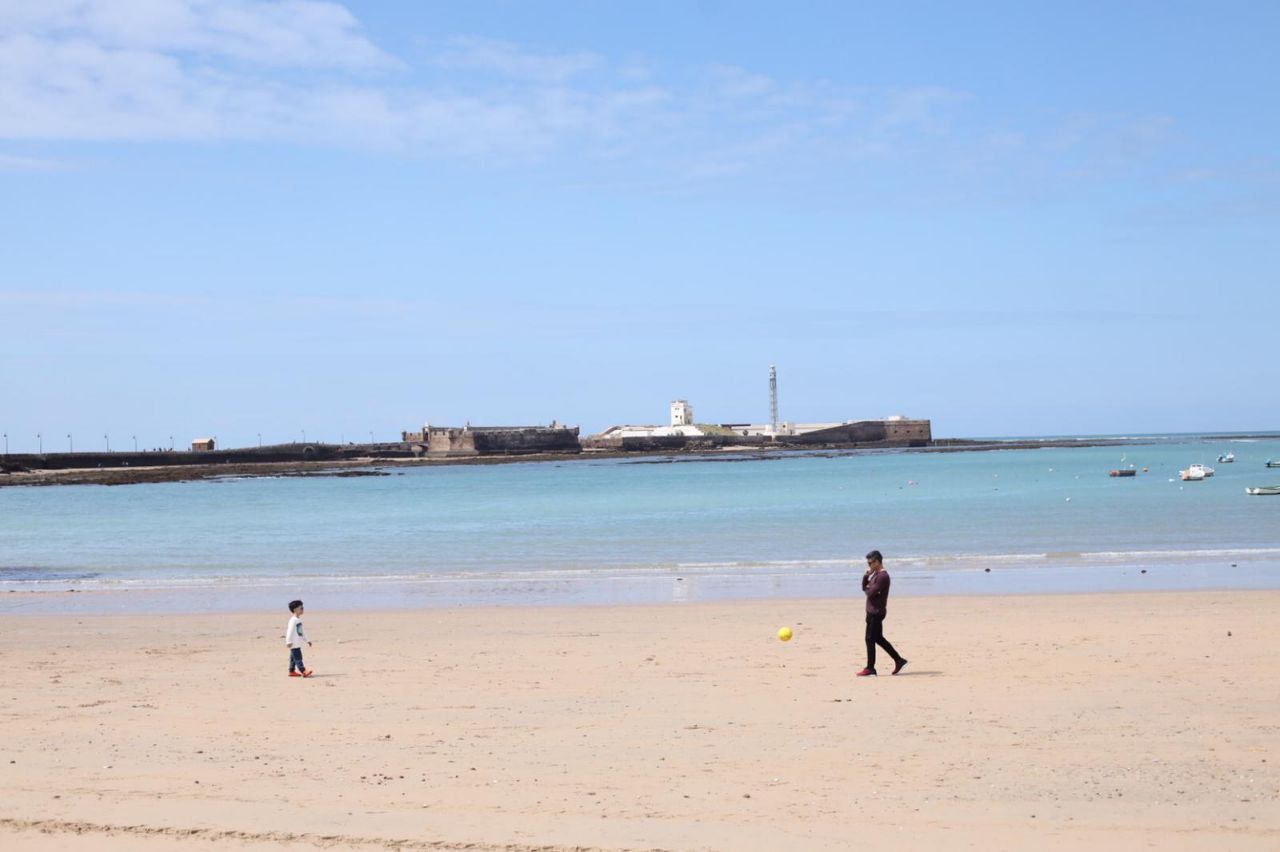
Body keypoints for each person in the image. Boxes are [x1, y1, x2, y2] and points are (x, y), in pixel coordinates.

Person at [857, 550, 907, 677]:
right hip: (872, 611)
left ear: (877, 562)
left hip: (876, 612)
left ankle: (870, 668)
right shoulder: (875, 575)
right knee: (878, 638)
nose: (868, 566)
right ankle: (899, 660)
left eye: (870, 563)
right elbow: (865, 588)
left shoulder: (882, 576)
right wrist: (865, 577)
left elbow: (869, 593)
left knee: (869, 639)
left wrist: (868, 587)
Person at [284, 599, 313, 678]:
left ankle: (291, 671)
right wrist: (288, 641)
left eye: (302, 608)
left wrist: (307, 640)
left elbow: (302, 632)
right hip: (293, 643)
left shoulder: (298, 620)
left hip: (297, 643)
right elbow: (289, 631)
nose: (303, 609)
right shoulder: (293, 620)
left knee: (293, 658)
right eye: (301, 608)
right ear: (295, 609)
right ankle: (303, 671)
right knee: (298, 658)